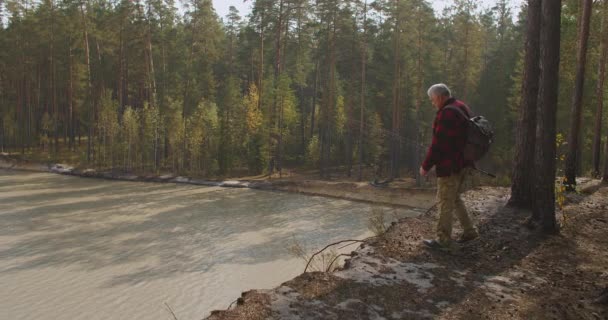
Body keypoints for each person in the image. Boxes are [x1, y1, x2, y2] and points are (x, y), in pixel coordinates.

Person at [420, 83, 478, 251]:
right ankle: (470, 231)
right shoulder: (461, 107)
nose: (432, 103)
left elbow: (438, 144)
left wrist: (425, 166)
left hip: (450, 167)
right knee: (454, 198)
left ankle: (442, 240)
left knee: (445, 200)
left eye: (432, 100)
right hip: (464, 163)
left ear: (439, 97)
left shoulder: (447, 113)